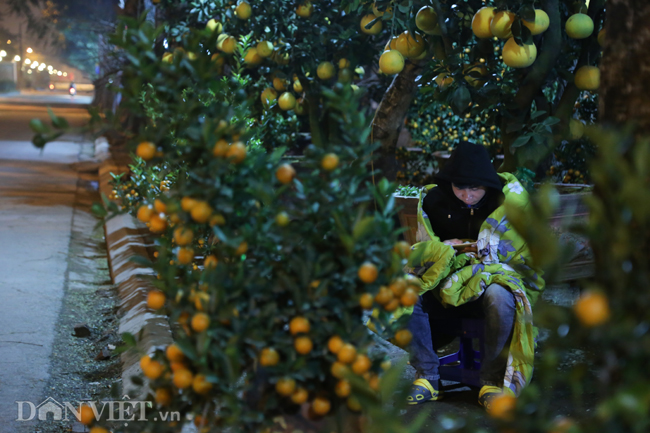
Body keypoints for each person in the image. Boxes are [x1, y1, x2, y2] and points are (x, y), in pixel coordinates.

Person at [403, 141, 545, 409]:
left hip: (492, 279)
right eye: (460, 188)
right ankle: (427, 377)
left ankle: (492, 382)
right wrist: (442, 248)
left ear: (487, 185)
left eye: (475, 188)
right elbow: (420, 249)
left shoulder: (508, 202)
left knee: (499, 296)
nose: (467, 195)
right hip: (446, 282)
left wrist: (487, 254)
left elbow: (525, 253)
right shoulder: (433, 201)